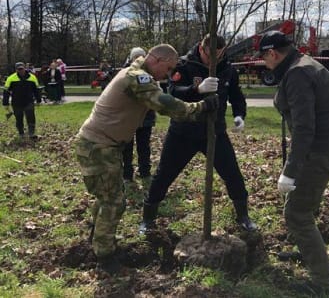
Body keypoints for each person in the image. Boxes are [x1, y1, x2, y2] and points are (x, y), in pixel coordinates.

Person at [74, 44, 219, 275]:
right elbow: (163, 104)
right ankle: (105, 257)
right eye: (169, 68)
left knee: (106, 196)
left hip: (102, 145)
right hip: (98, 146)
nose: (169, 75)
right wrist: (200, 107)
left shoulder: (137, 72)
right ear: (158, 60)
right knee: (113, 201)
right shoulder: (136, 77)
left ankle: (100, 239)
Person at [256, 30, 329, 296]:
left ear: (272, 54)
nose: (264, 63)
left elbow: (304, 128)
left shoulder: (298, 73)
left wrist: (290, 171)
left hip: (320, 148)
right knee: (304, 203)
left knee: (296, 213)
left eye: (264, 58)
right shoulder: (302, 64)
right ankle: (307, 251)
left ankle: (325, 284)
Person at [139, 34, 257, 234]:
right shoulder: (184, 65)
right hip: (183, 130)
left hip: (215, 131)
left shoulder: (227, 68)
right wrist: (196, 88)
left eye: (219, 56)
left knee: (232, 174)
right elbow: (173, 92)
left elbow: (236, 95)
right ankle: (148, 218)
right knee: (164, 175)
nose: (215, 61)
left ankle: (243, 215)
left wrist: (239, 115)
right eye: (211, 56)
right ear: (202, 49)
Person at [121, 47, 156, 189]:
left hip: (146, 117)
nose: (139, 59)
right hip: (128, 118)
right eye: (136, 57)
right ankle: (127, 174)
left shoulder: (150, 74)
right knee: (126, 148)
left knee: (144, 146)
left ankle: (145, 172)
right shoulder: (125, 74)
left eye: (142, 56)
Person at [2, 62, 42, 139]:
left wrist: (38, 100)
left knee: (31, 117)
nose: (21, 70)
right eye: (19, 69)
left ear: (25, 68)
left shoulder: (32, 77)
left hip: (29, 101)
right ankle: (21, 133)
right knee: (19, 118)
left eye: (22, 69)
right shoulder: (11, 78)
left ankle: (31, 133)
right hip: (17, 103)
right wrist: (5, 103)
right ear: (16, 70)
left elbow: (36, 90)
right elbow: (6, 91)